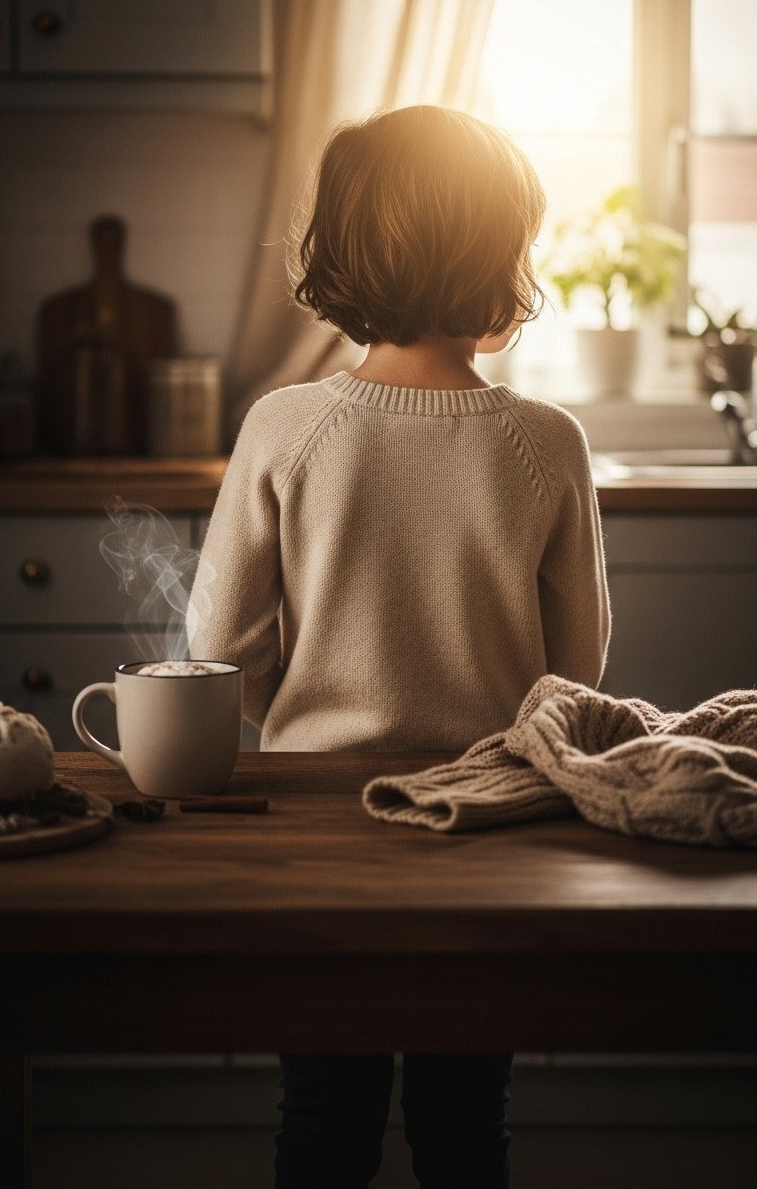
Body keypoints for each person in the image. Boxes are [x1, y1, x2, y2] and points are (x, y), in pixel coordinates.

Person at [188, 104, 611, 1188]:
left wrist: (314, 712)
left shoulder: (284, 426)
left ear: (342, 252)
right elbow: (579, 668)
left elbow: (219, 643)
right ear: (498, 263)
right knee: (467, 1120)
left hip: (315, 831)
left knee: (321, 1111)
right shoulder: (547, 440)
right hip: (489, 824)